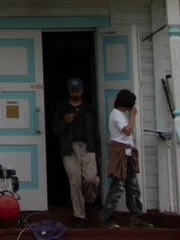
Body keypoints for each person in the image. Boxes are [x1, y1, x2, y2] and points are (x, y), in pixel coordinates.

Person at [53, 76, 103, 227]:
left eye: (78, 90)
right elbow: (55, 128)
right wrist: (65, 122)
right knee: (75, 182)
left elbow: (95, 130)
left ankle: (88, 201)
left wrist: (98, 152)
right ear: (68, 90)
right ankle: (80, 216)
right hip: (70, 148)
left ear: (82, 91)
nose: (75, 93)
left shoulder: (88, 107)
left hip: (88, 147)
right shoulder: (62, 107)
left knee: (91, 179)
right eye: (72, 90)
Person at [107, 87, 142, 222]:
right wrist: (132, 115)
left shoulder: (121, 115)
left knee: (133, 187)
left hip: (127, 153)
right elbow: (127, 130)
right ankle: (107, 217)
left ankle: (136, 217)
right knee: (117, 188)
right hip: (120, 154)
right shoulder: (116, 114)